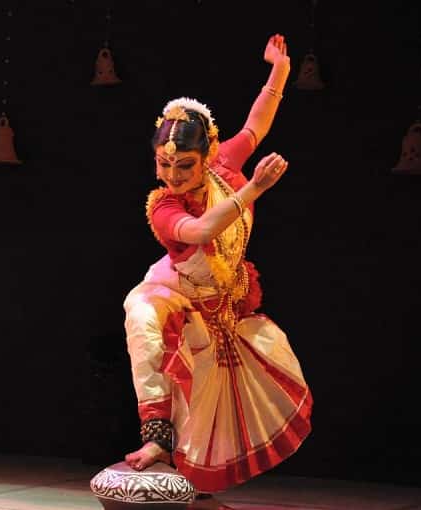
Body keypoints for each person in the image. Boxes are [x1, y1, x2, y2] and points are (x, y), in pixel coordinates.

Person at [122, 34, 312, 494]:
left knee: (208, 396)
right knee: (142, 317)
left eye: (182, 166)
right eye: (162, 164)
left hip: (223, 300)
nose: (171, 175)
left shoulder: (225, 162)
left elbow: (256, 124)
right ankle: (156, 437)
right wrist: (254, 190)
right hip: (176, 289)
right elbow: (202, 230)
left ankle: (187, 470)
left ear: (207, 153)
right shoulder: (163, 206)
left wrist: (279, 69)